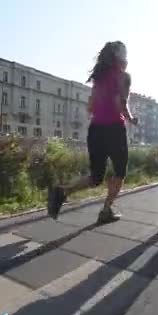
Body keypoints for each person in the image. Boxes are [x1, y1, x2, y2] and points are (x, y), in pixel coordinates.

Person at [47, 41, 137, 224]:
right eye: (125, 53)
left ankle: (63, 191)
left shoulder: (99, 77)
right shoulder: (124, 76)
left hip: (95, 130)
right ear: (120, 56)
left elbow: (90, 106)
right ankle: (106, 210)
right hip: (114, 130)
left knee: (96, 177)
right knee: (119, 172)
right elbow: (121, 104)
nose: (127, 57)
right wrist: (131, 118)